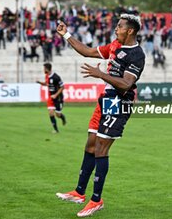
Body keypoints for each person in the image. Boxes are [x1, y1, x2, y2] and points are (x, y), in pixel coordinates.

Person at [55, 14, 145, 217]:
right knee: (91, 143)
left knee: (101, 147)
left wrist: (101, 75)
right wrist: (66, 34)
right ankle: (79, 193)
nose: (116, 29)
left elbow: (126, 84)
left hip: (119, 102)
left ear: (130, 30)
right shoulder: (114, 46)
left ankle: (96, 200)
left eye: (120, 27)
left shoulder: (137, 54)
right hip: (105, 99)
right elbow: (86, 51)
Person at [36, 63, 66, 133]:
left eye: (44, 69)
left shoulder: (56, 77)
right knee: (51, 112)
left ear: (47, 69)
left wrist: (55, 95)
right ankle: (56, 130)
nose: (43, 70)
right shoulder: (46, 76)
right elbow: (47, 84)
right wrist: (39, 82)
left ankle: (62, 117)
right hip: (50, 98)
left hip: (58, 98)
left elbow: (62, 87)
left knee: (58, 115)